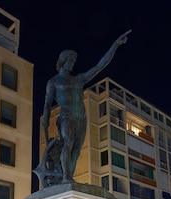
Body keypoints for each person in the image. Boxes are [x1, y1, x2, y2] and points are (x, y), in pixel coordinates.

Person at [41, 30, 131, 185]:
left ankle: (68, 178)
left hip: (81, 118)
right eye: (70, 61)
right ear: (64, 60)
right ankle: (65, 177)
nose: (73, 64)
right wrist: (46, 119)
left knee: (76, 151)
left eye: (74, 61)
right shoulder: (54, 82)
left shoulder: (78, 80)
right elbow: (47, 103)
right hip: (66, 116)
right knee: (68, 144)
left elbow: (100, 66)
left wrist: (115, 45)